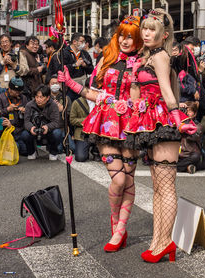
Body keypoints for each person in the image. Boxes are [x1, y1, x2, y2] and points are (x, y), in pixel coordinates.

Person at [58, 16, 144, 253]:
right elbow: (97, 93)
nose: (126, 41)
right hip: (106, 123)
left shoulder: (143, 62)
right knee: (118, 179)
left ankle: (119, 231)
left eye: (131, 37)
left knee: (129, 179)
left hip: (131, 124)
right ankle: (116, 223)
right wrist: (71, 83)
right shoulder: (106, 59)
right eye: (123, 35)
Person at [124, 9, 196, 262]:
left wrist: (179, 119)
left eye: (152, 29)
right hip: (150, 123)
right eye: (144, 27)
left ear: (164, 34)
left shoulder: (162, 56)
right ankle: (158, 240)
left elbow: (167, 91)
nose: (146, 32)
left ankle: (165, 242)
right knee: (156, 187)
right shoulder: (148, 56)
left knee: (165, 187)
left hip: (164, 122)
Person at [21, 85, 63, 160]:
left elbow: (56, 122)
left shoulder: (53, 105)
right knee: (24, 134)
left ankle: (53, 152)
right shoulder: (29, 105)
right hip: (34, 130)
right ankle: (31, 151)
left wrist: (47, 127)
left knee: (58, 133)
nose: (38, 99)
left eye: (41, 97)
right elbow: (26, 122)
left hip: (48, 131)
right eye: (37, 97)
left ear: (47, 98)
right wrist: (31, 128)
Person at [0, 77, 29, 155]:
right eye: (16, 91)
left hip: (19, 131)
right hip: (5, 132)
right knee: (15, 148)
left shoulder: (24, 98)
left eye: (19, 91)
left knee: (26, 151)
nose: (18, 93)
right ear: (9, 89)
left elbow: (30, 115)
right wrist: (7, 110)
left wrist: (25, 111)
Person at [0, 34, 29, 101]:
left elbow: (26, 70)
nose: (5, 44)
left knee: (13, 109)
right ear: (0, 45)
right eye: (2, 42)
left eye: (6, 41)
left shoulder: (19, 55)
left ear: (10, 43)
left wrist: (14, 66)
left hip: (15, 88)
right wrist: (2, 63)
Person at [62, 33, 94, 102]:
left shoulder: (84, 53)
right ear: (74, 42)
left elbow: (91, 70)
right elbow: (61, 69)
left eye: (84, 42)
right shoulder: (65, 53)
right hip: (69, 86)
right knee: (69, 103)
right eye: (81, 41)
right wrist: (75, 65)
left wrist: (85, 66)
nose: (84, 44)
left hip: (82, 84)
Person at [48, 75, 74, 153]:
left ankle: (63, 143)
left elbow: (70, 116)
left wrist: (63, 110)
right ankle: (53, 145)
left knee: (73, 149)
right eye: (52, 83)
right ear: (49, 85)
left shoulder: (66, 98)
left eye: (57, 83)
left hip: (64, 129)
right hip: (53, 130)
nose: (55, 85)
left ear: (60, 85)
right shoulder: (46, 98)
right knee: (58, 149)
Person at [177, 101, 205, 173]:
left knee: (196, 158)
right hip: (179, 154)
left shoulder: (198, 126)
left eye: (189, 111)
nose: (187, 113)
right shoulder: (178, 123)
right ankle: (187, 167)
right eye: (186, 111)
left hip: (190, 154)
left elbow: (192, 137)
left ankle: (177, 167)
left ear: (195, 114)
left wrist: (185, 123)